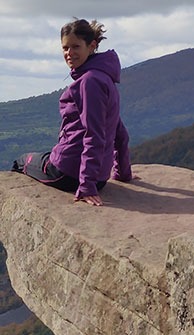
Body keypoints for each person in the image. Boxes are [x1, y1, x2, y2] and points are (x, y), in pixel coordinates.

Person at [14, 19, 132, 206]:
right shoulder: (105, 77)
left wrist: (86, 186)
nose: (69, 53)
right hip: (99, 177)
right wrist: (123, 173)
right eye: (65, 48)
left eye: (75, 46)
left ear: (92, 46)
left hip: (69, 173)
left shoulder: (89, 82)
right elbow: (119, 131)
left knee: (21, 161)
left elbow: (94, 135)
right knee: (45, 155)